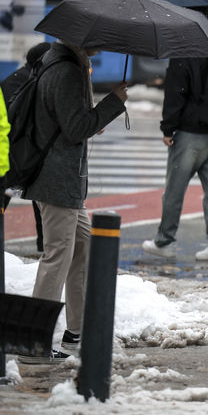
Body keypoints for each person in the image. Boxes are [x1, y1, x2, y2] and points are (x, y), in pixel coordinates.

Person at [19, 41, 128, 363]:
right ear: (83, 40)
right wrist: (114, 103)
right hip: (57, 181)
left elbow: (68, 120)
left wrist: (93, 114)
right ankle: (33, 339)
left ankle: (76, 330)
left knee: (83, 248)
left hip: (61, 180)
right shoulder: (67, 70)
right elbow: (75, 128)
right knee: (57, 258)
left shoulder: (60, 63)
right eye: (98, 40)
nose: (103, 45)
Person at [142, 6, 208, 262]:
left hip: (190, 132)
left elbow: (176, 93)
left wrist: (167, 128)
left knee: (174, 190)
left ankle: (164, 241)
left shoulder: (183, 47)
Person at [2, 42, 52, 252]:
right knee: (39, 195)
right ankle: (44, 247)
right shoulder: (32, 82)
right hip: (16, 151)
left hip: (12, 150)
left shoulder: (18, 77)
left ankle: (44, 245)